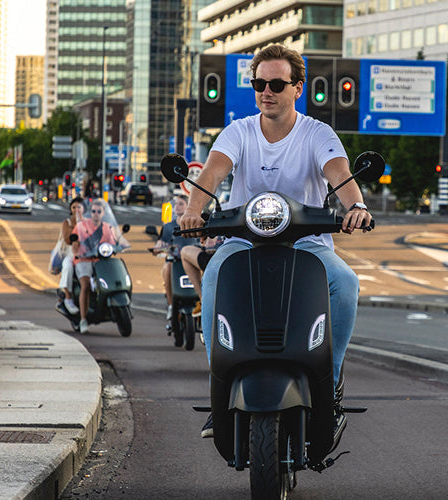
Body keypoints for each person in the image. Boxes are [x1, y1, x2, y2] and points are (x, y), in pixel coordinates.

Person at [178, 44, 372, 438]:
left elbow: (338, 173)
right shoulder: (239, 131)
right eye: (259, 84)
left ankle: (330, 383)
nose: (266, 91)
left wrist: (356, 206)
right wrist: (194, 210)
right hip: (243, 242)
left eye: (277, 84)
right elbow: (212, 173)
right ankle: (219, 389)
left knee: (345, 283)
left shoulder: (318, 133)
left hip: (308, 243)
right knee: (214, 276)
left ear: (297, 88)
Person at [72, 199, 127, 333]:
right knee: (85, 284)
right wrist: (77, 251)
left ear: (103, 213)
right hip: (84, 260)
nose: (96, 214)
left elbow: (113, 242)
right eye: (93, 211)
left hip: (100, 260)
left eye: (99, 211)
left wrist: (120, 246)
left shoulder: (107, 227)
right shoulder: (81, 226)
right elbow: (74, 241)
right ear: (90, 213)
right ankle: (83, 319)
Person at [152, 195, 207, 325]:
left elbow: (204, 241)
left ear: (188, 206)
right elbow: (159, 244)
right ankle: (171, 305)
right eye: (176, 204)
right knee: (167, 268)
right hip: (174, 262)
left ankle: (203, 301)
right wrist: (158, 248)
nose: (177, 206)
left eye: (181, 204)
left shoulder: (196, 224)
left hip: (191, 261)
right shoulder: (168, 227)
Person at [58, 197, 86, 314]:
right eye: (74, 207)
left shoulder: (89, 222)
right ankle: (68, 298)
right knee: (68, 266)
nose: (76, 210)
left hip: (87, 253)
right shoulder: (67, 223)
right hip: (72, 253)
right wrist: (77, 226)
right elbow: (68, 239)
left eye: (79, 207)